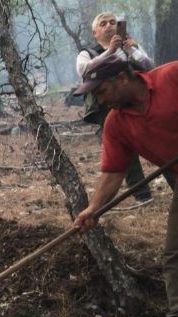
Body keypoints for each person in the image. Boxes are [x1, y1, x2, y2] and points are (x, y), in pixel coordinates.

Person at [72, 58, 178, 317]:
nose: (97, 98)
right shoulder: (116, 123)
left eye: (101, 90)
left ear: (121, 77)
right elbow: (114, 171)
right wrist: (94, 208)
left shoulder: (171, 77)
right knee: (175, 254)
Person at [76, 11, 154, 204]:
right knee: (123, 146)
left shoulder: (129, 46)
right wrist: (110, 52)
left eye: (113, 22)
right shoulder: (87, 53)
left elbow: (148, 66)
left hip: (135, 101)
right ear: (95, 32)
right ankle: (142, 194)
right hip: (106, 105)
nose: (110, 26)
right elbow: (85, 70)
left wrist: (133, 50)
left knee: (155, 138)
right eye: (103, 23)